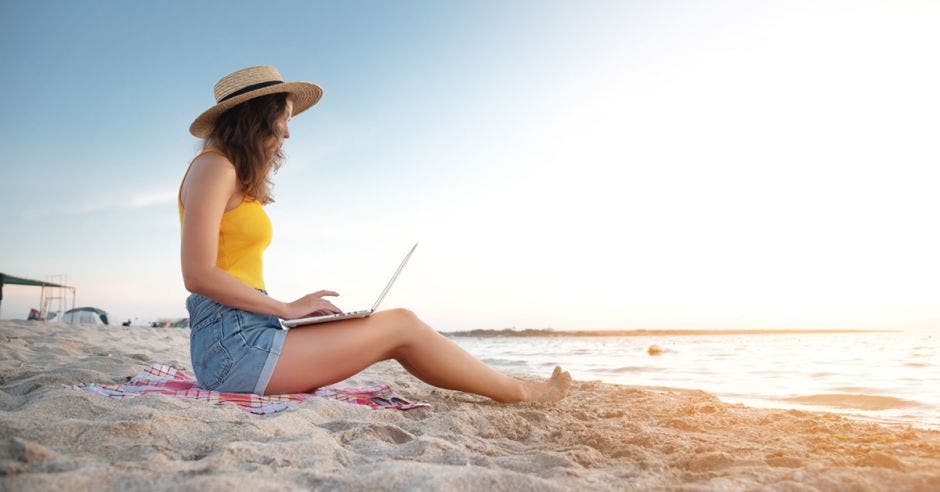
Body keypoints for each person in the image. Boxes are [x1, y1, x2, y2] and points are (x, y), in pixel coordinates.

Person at [179, 65, 572, 403]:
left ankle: (514, 389)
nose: (287, 134)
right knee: (401, 324)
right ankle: (521, 392)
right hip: (234, 349)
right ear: (257, 118)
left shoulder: (226, 173)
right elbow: (197, 274)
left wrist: (294, 318)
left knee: (400, 329)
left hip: (246, 335)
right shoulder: (215, 168)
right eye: (283, 120)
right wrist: (287, 308)